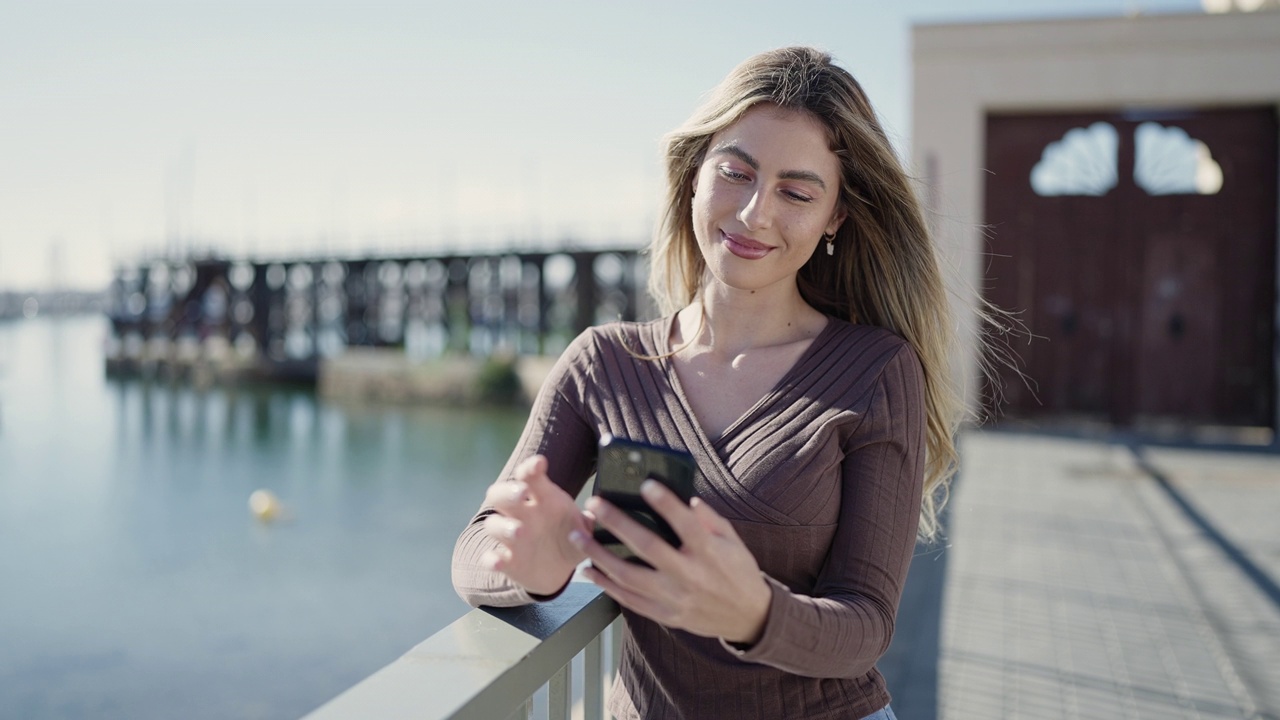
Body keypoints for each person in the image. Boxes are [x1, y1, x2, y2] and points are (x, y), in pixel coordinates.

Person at [452, 46, 964, 720]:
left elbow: (865, 626)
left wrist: (754, 611)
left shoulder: (875, 370)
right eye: (736, 172)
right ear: (694, 175)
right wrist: (533, 569)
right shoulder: (602, 364)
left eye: (797, 192)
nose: (755, 213)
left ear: (836, 215)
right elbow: (478, 548)